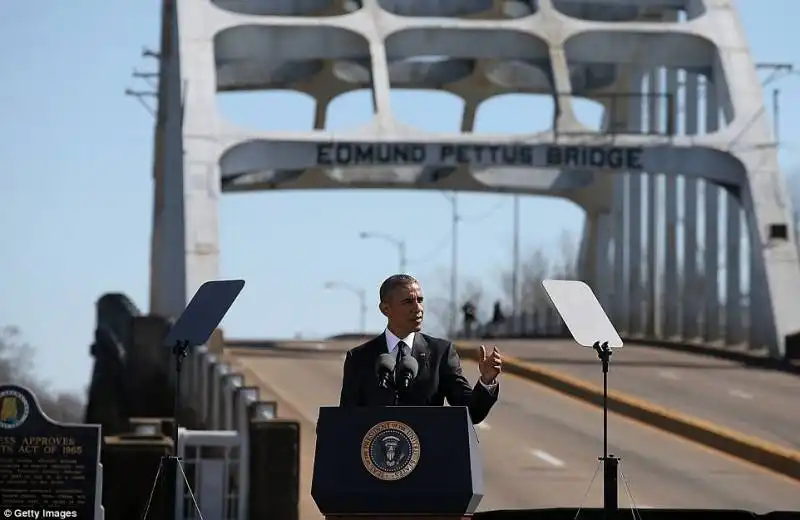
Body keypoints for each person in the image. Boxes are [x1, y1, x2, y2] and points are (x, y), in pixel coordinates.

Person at [339, 274, 502, 424]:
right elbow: (346, 420)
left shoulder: (440, 353)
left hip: (427, 453)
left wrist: (486, 381)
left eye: (420, 300)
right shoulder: (359, 358)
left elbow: (470, 412)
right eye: (408, 302)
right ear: (385, 309)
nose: (418, 308)